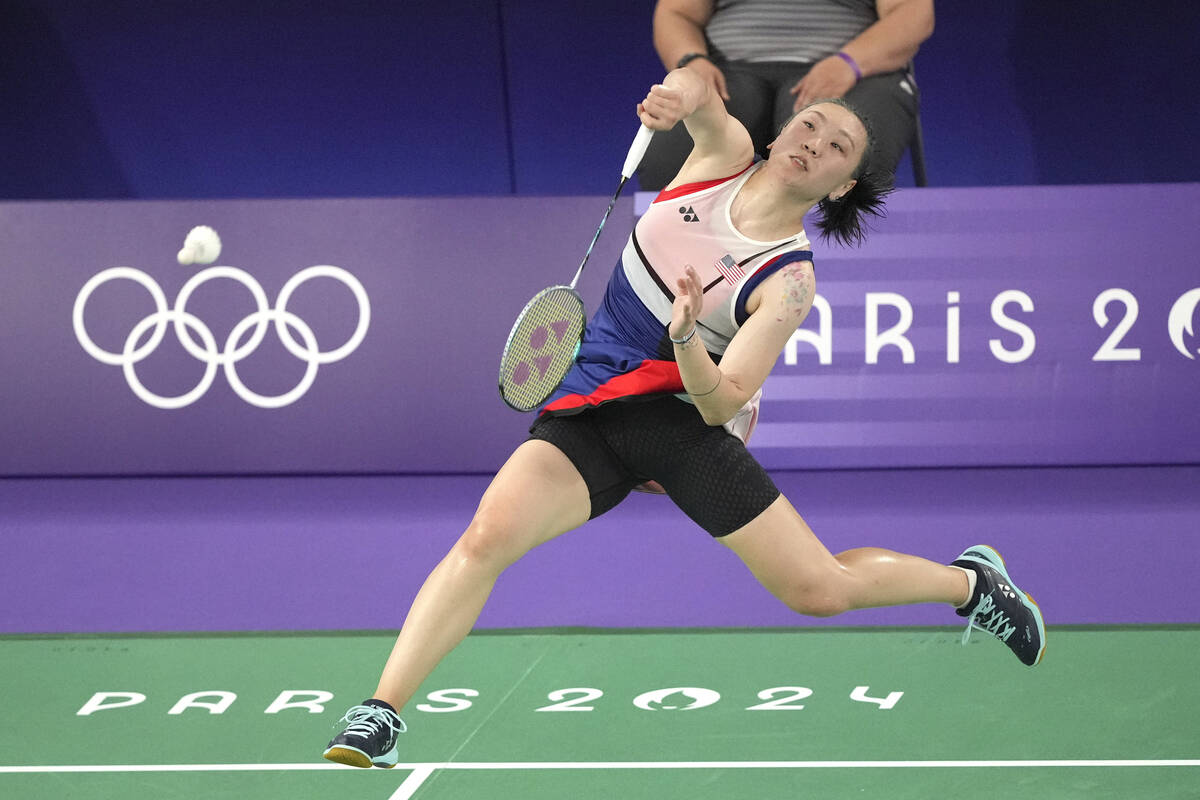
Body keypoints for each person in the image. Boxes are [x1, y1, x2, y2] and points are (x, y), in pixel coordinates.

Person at [321, 66, 1044, 770]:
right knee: (486, 536)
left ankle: (972, 585)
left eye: (835, 149)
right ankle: (382, 711)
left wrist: (687, 336)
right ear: (778, 132)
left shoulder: (789, 282)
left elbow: (725, 399)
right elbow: (701, 87)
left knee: (818, 590)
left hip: (683, 424)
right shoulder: (718, 159)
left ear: (841, 185)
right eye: (809, 125)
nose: (813, 143)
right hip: (592, 402)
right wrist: (678, 93)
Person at [638, 0, 934, 190]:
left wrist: (850, 63)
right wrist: (692, 61)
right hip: (728, 71)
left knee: (836, 162)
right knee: (672, 157)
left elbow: (912, 12)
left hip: (849, 71)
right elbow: (676, 13)